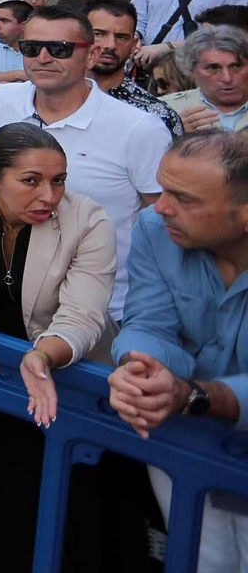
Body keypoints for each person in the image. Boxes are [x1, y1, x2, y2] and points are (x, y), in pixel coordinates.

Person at [0, 121, 117, 573]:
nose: (49, 196)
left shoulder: (89, 220)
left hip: (61, 384)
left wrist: (42, 356)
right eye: (31, 181)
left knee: (58, 513)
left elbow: (83, 315)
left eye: (59, 180)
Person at [0, 5, 170, 320]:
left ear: (90, 55)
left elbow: (163, 224)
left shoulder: (139, 129)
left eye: (60, 49)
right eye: (32, 48)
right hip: (1, 303)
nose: (44, 57)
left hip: (102, 310)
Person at [109, 132, 248, 573]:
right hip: (184, 436)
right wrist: (140, 371)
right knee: (202, 561)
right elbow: (148, 321)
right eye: (162, 187)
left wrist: (194, 395)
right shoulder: (157, 229)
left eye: (183, 198)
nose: (160, 206)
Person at [86, 0, 183, 137]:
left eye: (121, 37)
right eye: (99, 34)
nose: (110, 45)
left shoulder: (157, 115)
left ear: (133, 44)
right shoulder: (51, 99)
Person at [162, 24, 248, 133]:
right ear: (191, 69)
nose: (227, 78)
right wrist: (173, 134)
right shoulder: (165, 110)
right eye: (213, 68)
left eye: (236, 66)